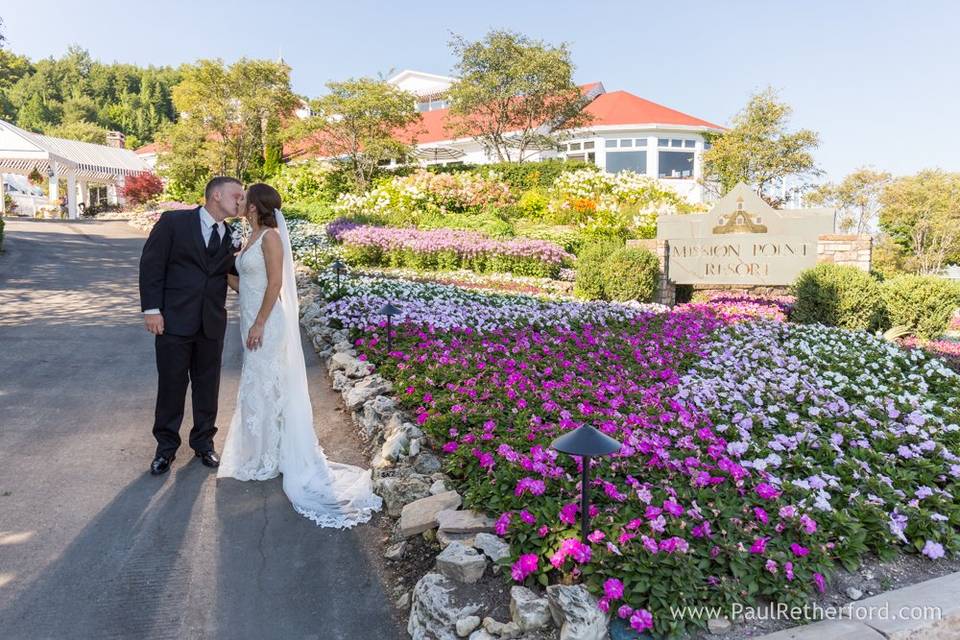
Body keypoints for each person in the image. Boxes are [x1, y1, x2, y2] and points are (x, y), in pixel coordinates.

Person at [217, 183, 381, 528]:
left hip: (266, 323)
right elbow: (247, 284)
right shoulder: (251, 237)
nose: (239, 200)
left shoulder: (271, 238)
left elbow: (275, 284)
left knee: (266, 384)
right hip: (249, 318)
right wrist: (217, 280)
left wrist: (260, 323)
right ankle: (266, 453)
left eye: (244, 197)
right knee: (260, 386)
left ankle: (277, 455)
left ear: (255, 206)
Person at [138, 176, 243, 475]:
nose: (241, 201)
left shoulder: (230, 233)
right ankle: (165, 449)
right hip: (173, 320)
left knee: (208, 385)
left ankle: (204, 443)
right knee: (171, 385)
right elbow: (151, 264)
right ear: (217, 195)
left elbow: (232, 272)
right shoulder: (174, 222)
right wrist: (152, 310)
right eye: (237, 195)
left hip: (211, 322)